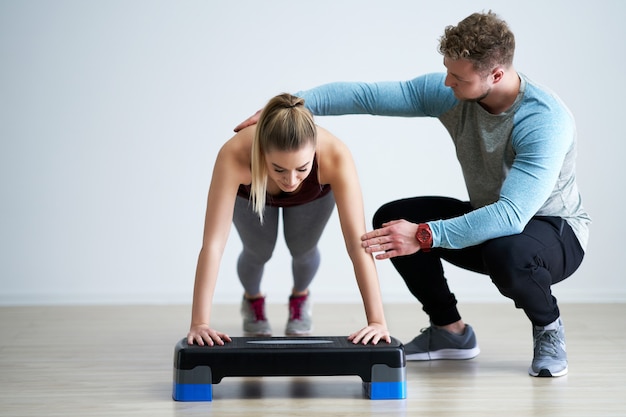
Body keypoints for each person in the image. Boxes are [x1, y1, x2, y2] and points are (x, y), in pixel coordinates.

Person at [234, 11, 590, 377]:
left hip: (553, 231)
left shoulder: (544, 120)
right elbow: (367, 96)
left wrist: (425, 235)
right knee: (392, 219)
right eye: (447, 71)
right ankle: (449, 331)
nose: (447, 82)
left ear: (495, 75)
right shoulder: (454, 93)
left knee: (507, 249)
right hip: (491, 218)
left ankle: (548, 328)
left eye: (458, 76)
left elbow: (511, 216)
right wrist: (288, 108)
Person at [187, 93, 390, 347]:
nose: (291, 180)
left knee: (302, 250)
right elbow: (213, 246)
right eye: (279, 169)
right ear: (261, 150)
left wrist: (377, 321)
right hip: (252, 193)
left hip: (313, 197)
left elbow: (357, 245)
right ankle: (253, 300)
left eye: (302, 168)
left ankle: (300, 298)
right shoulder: (235, 154)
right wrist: (199, 324)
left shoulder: (335, 156)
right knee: (258, 252)